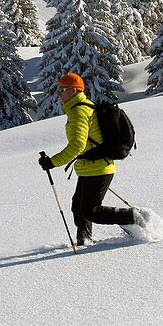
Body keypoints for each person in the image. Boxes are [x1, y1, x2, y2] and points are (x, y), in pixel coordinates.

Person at [38, 73, 140, 245]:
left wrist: (52, 162)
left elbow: (77, 145)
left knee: (91, 210)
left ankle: (134, 217)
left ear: (73, 90)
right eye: (58, 89)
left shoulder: (79, 111)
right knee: (78, 206)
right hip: (91, 166)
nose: (59, 93)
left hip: (98, 167)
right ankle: (84, 239)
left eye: (62, 89)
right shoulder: (81, 107)